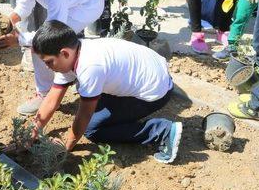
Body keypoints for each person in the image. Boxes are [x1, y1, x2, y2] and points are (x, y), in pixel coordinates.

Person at [30, 20, 182, 164]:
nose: (47, 66)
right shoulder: (76, 51)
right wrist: (32, 131)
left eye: (48, 62)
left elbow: (84, 115)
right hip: (152, 75)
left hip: (154, 92)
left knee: (92, 129)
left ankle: (162, 131)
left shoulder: (90, 66)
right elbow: (51, 100)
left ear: (64, 53)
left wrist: (65, 146)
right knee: (94, 107)